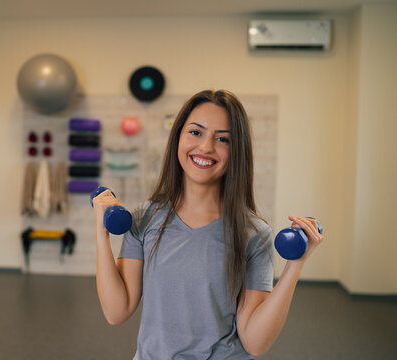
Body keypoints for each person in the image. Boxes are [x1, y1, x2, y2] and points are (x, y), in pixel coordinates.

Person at [92, 90, 323, 359]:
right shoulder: (144, 219)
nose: (206, 147)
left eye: (222, 138)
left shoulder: (253, 234)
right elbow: (116, 312)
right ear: (178, 136)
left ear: (237, 151)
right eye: (196, 132)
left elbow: (254, 342)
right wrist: (101, 235)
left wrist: (295, 266)